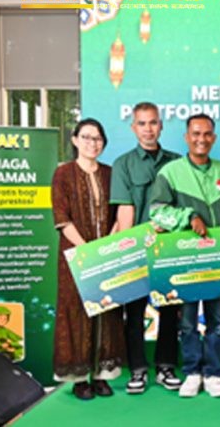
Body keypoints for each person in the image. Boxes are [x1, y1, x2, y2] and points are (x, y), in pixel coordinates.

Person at [149, 114, 220, 398]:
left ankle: (213, 373)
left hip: (218, 259)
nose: (201, 139)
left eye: (207, 134)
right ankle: (192, 372)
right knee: (187, 322)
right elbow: (157, 211)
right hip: (185, 260)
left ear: (214, 138)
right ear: (186, 137)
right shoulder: (170, 172)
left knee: (217, 321)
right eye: (196, 134)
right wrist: (190, 216)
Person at [110, 102, 182, 395]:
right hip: (137, 249)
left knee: (170, 311)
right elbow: (124, 211)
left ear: (161, 126)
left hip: (169, 249)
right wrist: (125, 252)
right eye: (142, 123)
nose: (148, 129)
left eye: (153, 122)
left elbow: (181, 207)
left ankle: (166, 366)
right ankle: (137, 370)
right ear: (133, 127)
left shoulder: (177, 162)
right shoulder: (123, 164)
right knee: (135, 314)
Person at [52, 118, 125, 400]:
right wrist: (87, 250)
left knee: (107, 310)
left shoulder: (110, 173)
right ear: (74, 140)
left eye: (97, 138)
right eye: (86, 137)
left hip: (107, 254)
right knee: (76, 311)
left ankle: (102, 375)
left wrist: (108, 244)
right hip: (76, 255)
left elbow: (120, 212)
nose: (92, 143)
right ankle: (80, 378)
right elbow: (61, 217)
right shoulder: (63, 173)